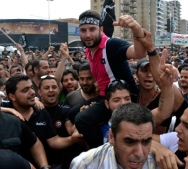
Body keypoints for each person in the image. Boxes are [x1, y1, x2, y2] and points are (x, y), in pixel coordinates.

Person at [60, 9, 148, 148]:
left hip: (123, 97)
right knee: (72, 113)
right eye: (83, 30)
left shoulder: (111, 45)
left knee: (82, 119)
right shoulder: (89, 50)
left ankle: (102, 152)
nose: (88, 35)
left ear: (101, 29)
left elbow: (139, 52)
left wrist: (136, 29)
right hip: (104, 98)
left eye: (92, 29)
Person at [4, 75, 83, 168]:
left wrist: (72, 139)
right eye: (25, 90)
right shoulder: (5, 114)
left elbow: (53, 140)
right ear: (12, 96)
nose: (32, 92)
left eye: (31, 88)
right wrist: (7, 110)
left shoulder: (41, 111)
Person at [69, 103, 159, 169]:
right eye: (129, 142)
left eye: (146, 141)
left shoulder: (158, 164)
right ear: (111, 137)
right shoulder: (85, 165)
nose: (139, 154)